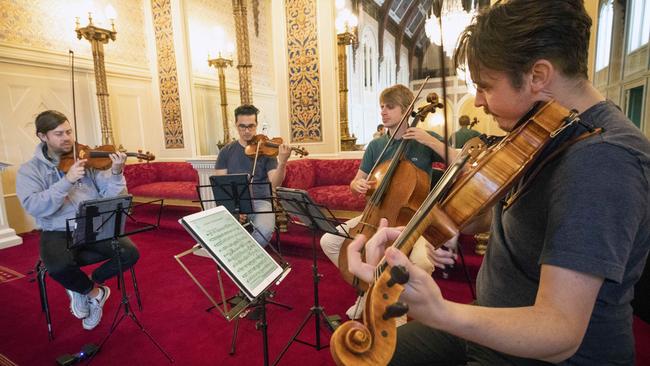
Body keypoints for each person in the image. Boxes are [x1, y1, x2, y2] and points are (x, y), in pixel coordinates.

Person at [347, 1, 650, 365]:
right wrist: (432, 227)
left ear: (538, 76)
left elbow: (559, 332)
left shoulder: (603, 159)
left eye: (486, 86)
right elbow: (532, 221)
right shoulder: (548, 128)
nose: (477, 101)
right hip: (493, 320)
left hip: (543, 353)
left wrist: (438, 311)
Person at [320, 84, 458, 319]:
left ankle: (400, 307)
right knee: (329, 241)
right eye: (381, 107)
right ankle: (367, 290)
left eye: (390, 107)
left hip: (413, 219)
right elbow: (357, 182)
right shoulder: (376, 145)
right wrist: (357, 185)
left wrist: (429, 140)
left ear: (407, 110)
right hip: (375, 214)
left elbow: (459, 161)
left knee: (421, 262)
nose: (383, 112)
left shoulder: (423, 140)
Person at [16, 110, 140, 331]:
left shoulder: (86, 159)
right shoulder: (29, 170)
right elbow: (34, 206)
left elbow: (113, 197)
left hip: (91, 224)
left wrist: (116, 172)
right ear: (42, 136)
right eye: (59, 133)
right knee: (58, 267)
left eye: (69, 131)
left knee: (129, 253)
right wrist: (67, 181)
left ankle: (85, 285)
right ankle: (95, 293)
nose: (67, 138)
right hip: (56, 229)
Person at [214, 104, 291, 247]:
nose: (247, 131)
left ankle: (243, 252)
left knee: (264, 231)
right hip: (236, 203)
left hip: (260, 201)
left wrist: (283, 162)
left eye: (251, 126)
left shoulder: (266, 149)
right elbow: (221, 186)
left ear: (256, 125)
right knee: (214, 231)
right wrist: (233, 208)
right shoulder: (226, 152)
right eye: (242, 126)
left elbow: (275, 184)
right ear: (236, 125)